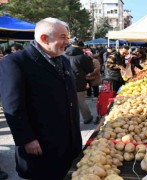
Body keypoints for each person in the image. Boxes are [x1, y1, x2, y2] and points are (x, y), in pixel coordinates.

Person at [0, 17, 82, 179]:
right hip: (41, 144)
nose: (67, 42)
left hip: (68, 142)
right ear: (44, 38)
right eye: (63, 37)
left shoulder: (63, 60)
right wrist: (27, 139)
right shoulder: (15, 62)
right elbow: (13, 107)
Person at [64, 40, 94, 124]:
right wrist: (89, 58)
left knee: (68, 102)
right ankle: (87, 118)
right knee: (81, 101)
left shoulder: (63, 55)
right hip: (79, 81)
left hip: (66, 82)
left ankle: (71, 120)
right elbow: (90, 69)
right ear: (81, 47)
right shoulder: (82, 57)